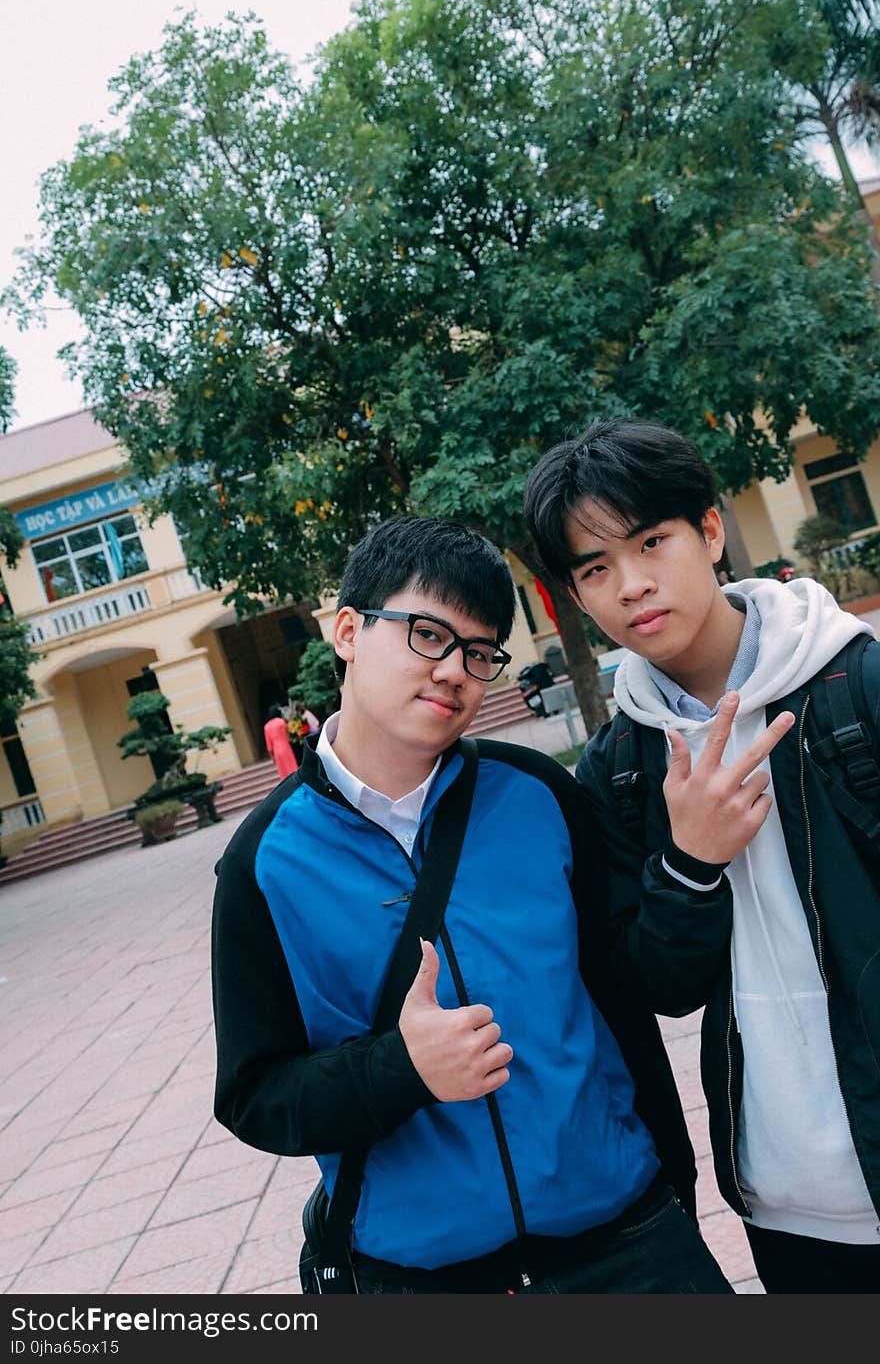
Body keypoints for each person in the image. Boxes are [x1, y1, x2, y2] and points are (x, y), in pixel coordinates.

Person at [211, 514, 732, 1294]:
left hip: (625, 1241)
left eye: (480, 651)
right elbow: (254, 1097)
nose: (455, 669)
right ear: (348, 631)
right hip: (426, 1279)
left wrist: (691, 862)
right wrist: (402, 1069)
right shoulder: (263, 862)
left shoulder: (540, 797)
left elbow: (646, 982)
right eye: (427, 634)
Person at [522, 417, 880, 1294]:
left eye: (652, 542)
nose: (632, 586)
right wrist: (689, 862)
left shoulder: (854, 687)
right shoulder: (623, 767)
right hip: (788, 1195)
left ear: (710, 532)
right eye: (595, 568)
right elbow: (661, 985)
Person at [263, 704, 298, 780]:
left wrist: (273, 758)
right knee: (292, 767)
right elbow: (289, 734)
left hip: (276, 751)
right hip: (286, 747)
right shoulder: (281, 722)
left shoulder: (266, 727)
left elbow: (269, 746)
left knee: (283, 771)